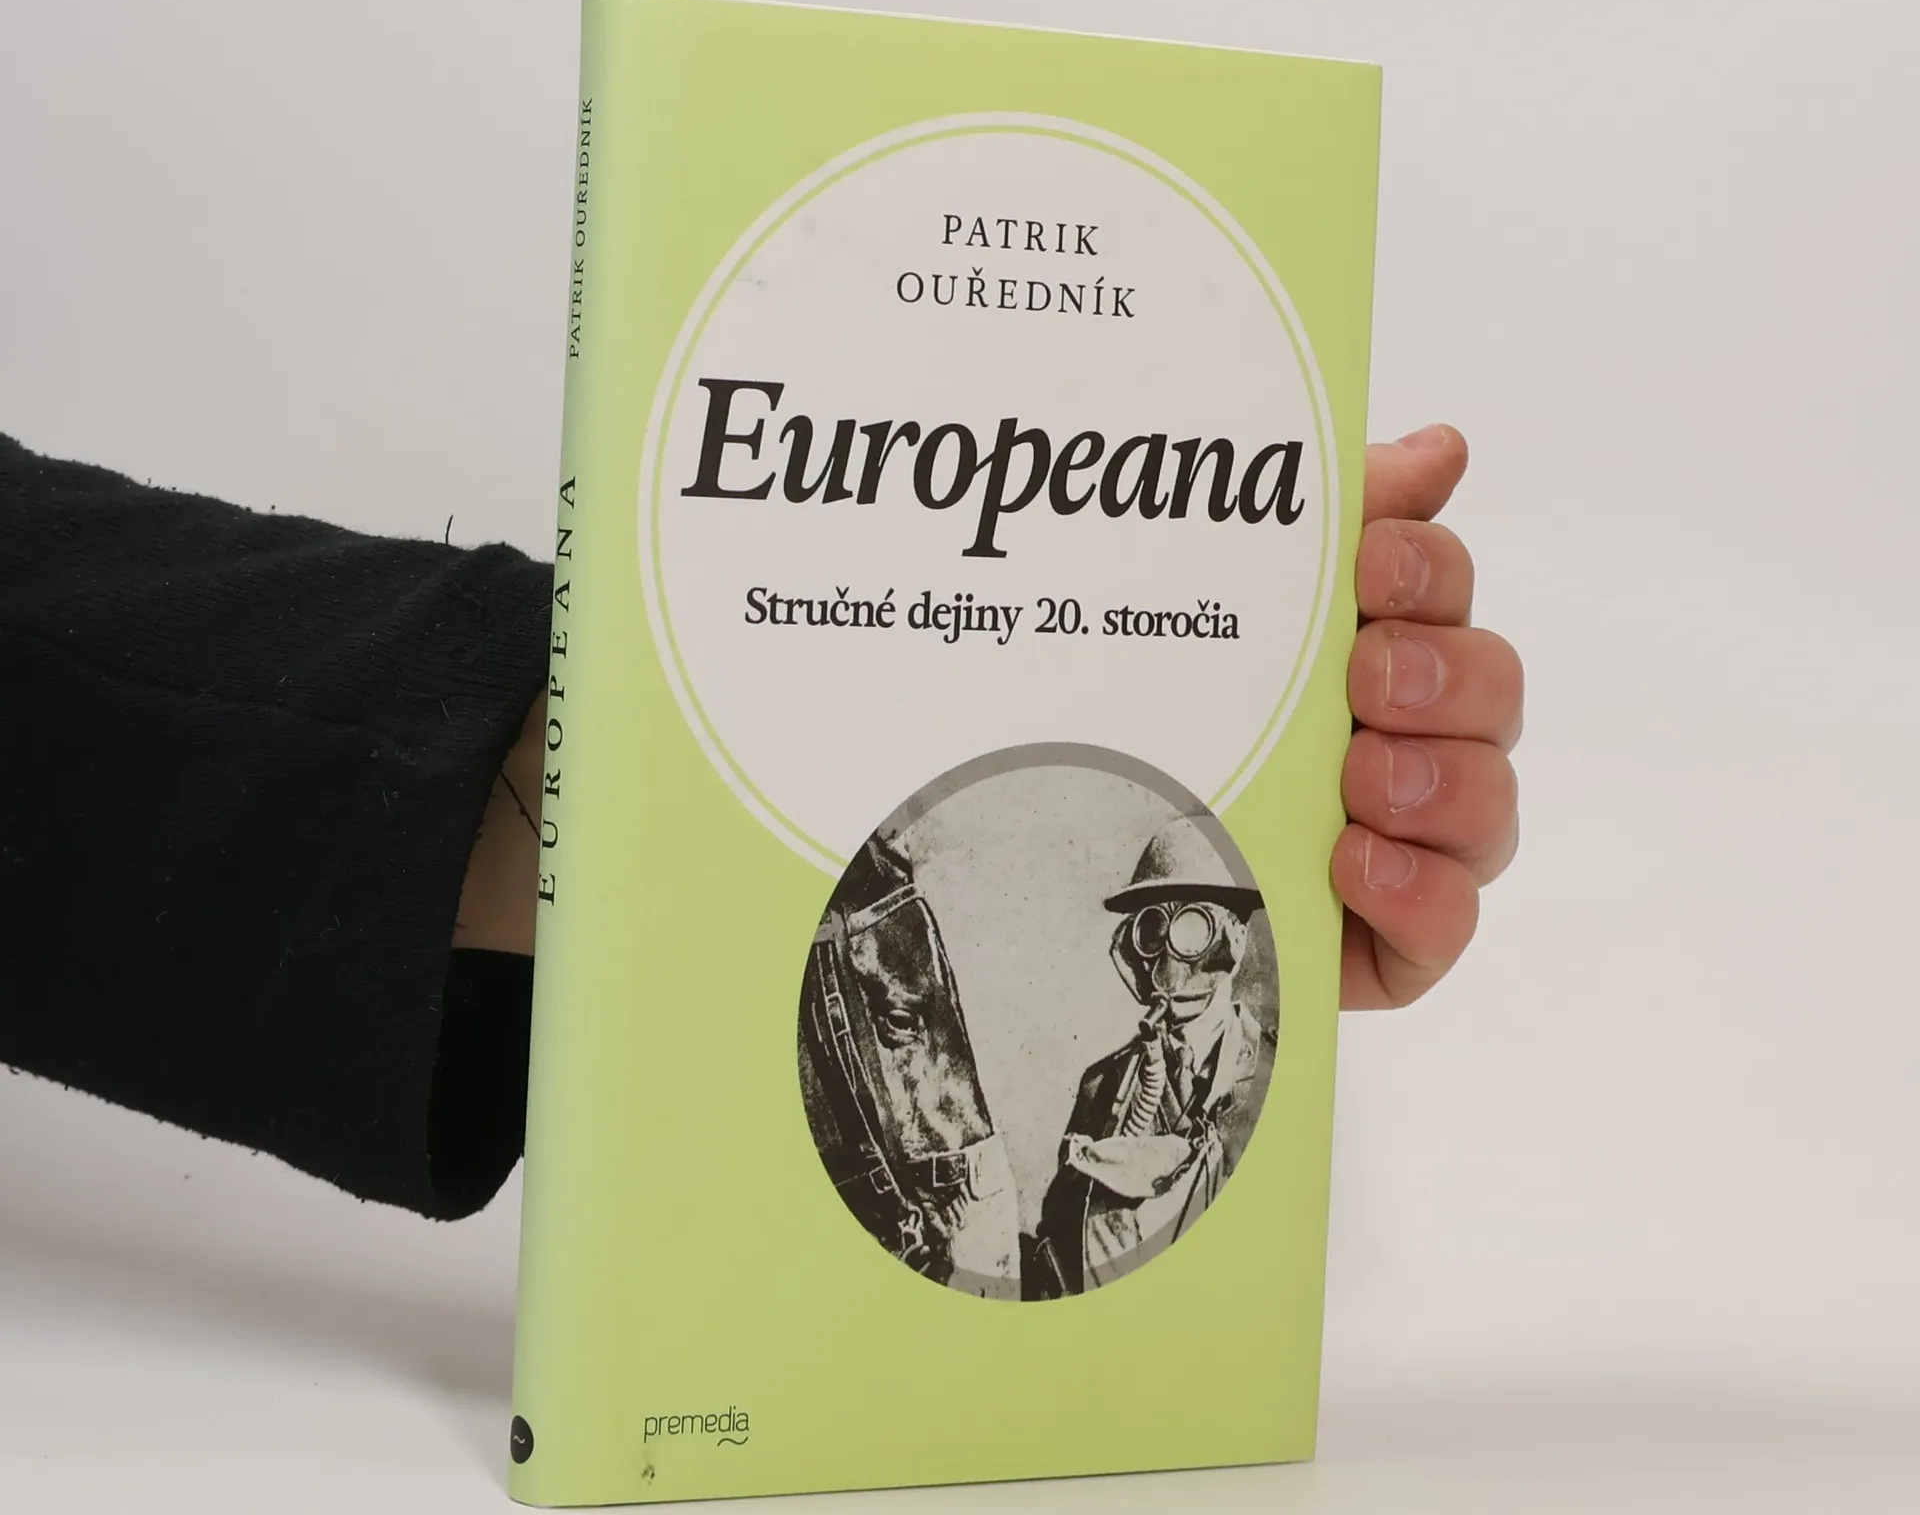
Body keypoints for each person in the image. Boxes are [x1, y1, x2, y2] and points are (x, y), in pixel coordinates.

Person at [0, 423, 1521, 1219]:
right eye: (1158, 943)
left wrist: (1073, 685)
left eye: (1198, 944)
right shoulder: (1089, 1074)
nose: (1178, 972)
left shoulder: (1169, 1056)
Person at [1025, 822, 1274, 1296]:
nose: (1169, 958)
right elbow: (1061, 1239)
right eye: (1153, 929)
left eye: (1192, 928)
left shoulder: (1272, 1071)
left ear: (1235, 940)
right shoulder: (1103, 1086)